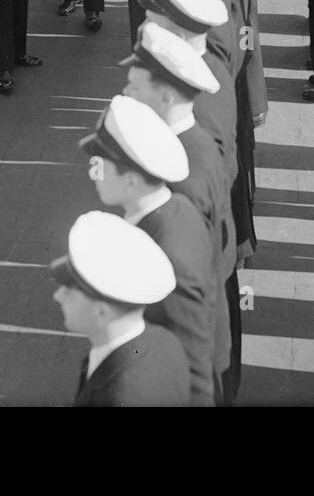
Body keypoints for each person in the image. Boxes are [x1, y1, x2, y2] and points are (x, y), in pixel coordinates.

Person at [118, 20, 236, 403]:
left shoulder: (179, 175)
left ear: (166, 96)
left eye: (136, 87)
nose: (127, 93)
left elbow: (180, 305)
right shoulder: (192, 147)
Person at [81, 95, 218, 406]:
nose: (93, 174)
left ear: (131, 180)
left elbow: (194, 369)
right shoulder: (175, 209)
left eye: (101, 165)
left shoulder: (167, 256)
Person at [52, 211, 190, 407]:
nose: (57, 296)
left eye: (69, 292)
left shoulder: (118, 396)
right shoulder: (164, 341)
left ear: (101, 312)